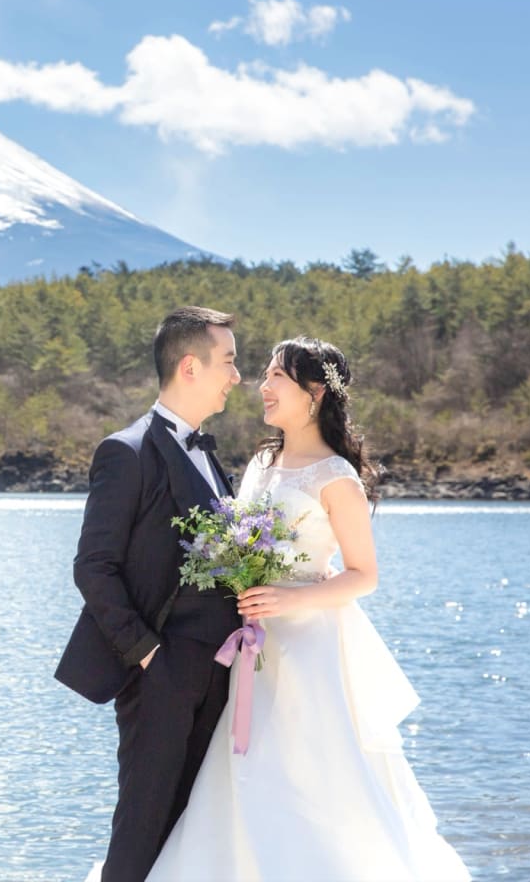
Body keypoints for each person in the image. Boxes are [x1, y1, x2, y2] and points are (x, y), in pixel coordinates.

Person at [145, 337, 471, 882]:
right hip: (255, 643)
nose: (262, 385)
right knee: (245, 775)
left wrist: (290, 598)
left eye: (277, 377)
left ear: (314, 393)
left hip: (309, 649)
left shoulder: (336, 476)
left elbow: (364, 575)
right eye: (266, 374)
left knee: (312, 775)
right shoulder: (261, 461)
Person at [54, 306, 243, 882]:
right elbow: (94, 567)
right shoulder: (126, 452)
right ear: (191, 366)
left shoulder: (210, 454)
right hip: (160, 674)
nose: (238, 376)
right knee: (141, 831)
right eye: (229, 362)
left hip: (221, 672)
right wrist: (148, 654)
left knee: (192, 831)